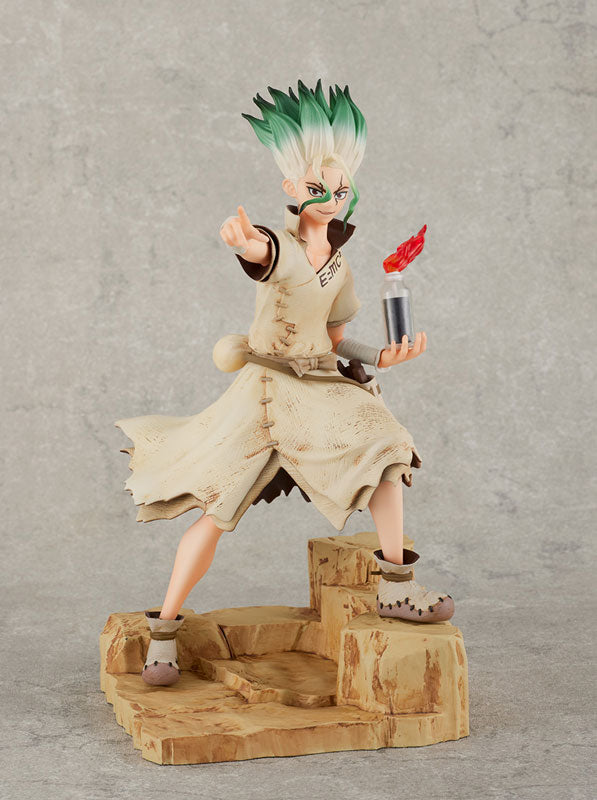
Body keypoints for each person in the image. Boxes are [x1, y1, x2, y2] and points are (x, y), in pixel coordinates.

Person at [116, 81, 454, 687]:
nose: (332, 198)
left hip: (317, 391)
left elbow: (334, 339)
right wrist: (243, 241)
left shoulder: (339, 264)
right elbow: (260, 252)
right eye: (319, 188)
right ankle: (163, 630)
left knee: (386, 446)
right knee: (217, 511)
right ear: (292, 189)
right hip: (266, 395)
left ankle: (396, 584)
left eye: (341, 189)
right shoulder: (280, 246)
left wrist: (382, 355)